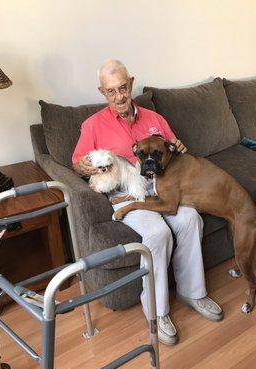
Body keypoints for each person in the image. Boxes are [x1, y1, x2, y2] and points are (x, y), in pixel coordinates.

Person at [72, 60, 223, 346]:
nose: (119, 97)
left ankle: (193, 292)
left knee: (191, 219)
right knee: (157, 233)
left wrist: (177, 146)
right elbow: (77, 163)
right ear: (102, 92)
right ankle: (157, 310)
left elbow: (173, 148)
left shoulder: (155, 118)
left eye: (122, 88)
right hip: (127, 194)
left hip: (164, 187)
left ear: (131, 83)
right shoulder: (93, 125)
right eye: (111, 91)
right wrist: (87, 168)